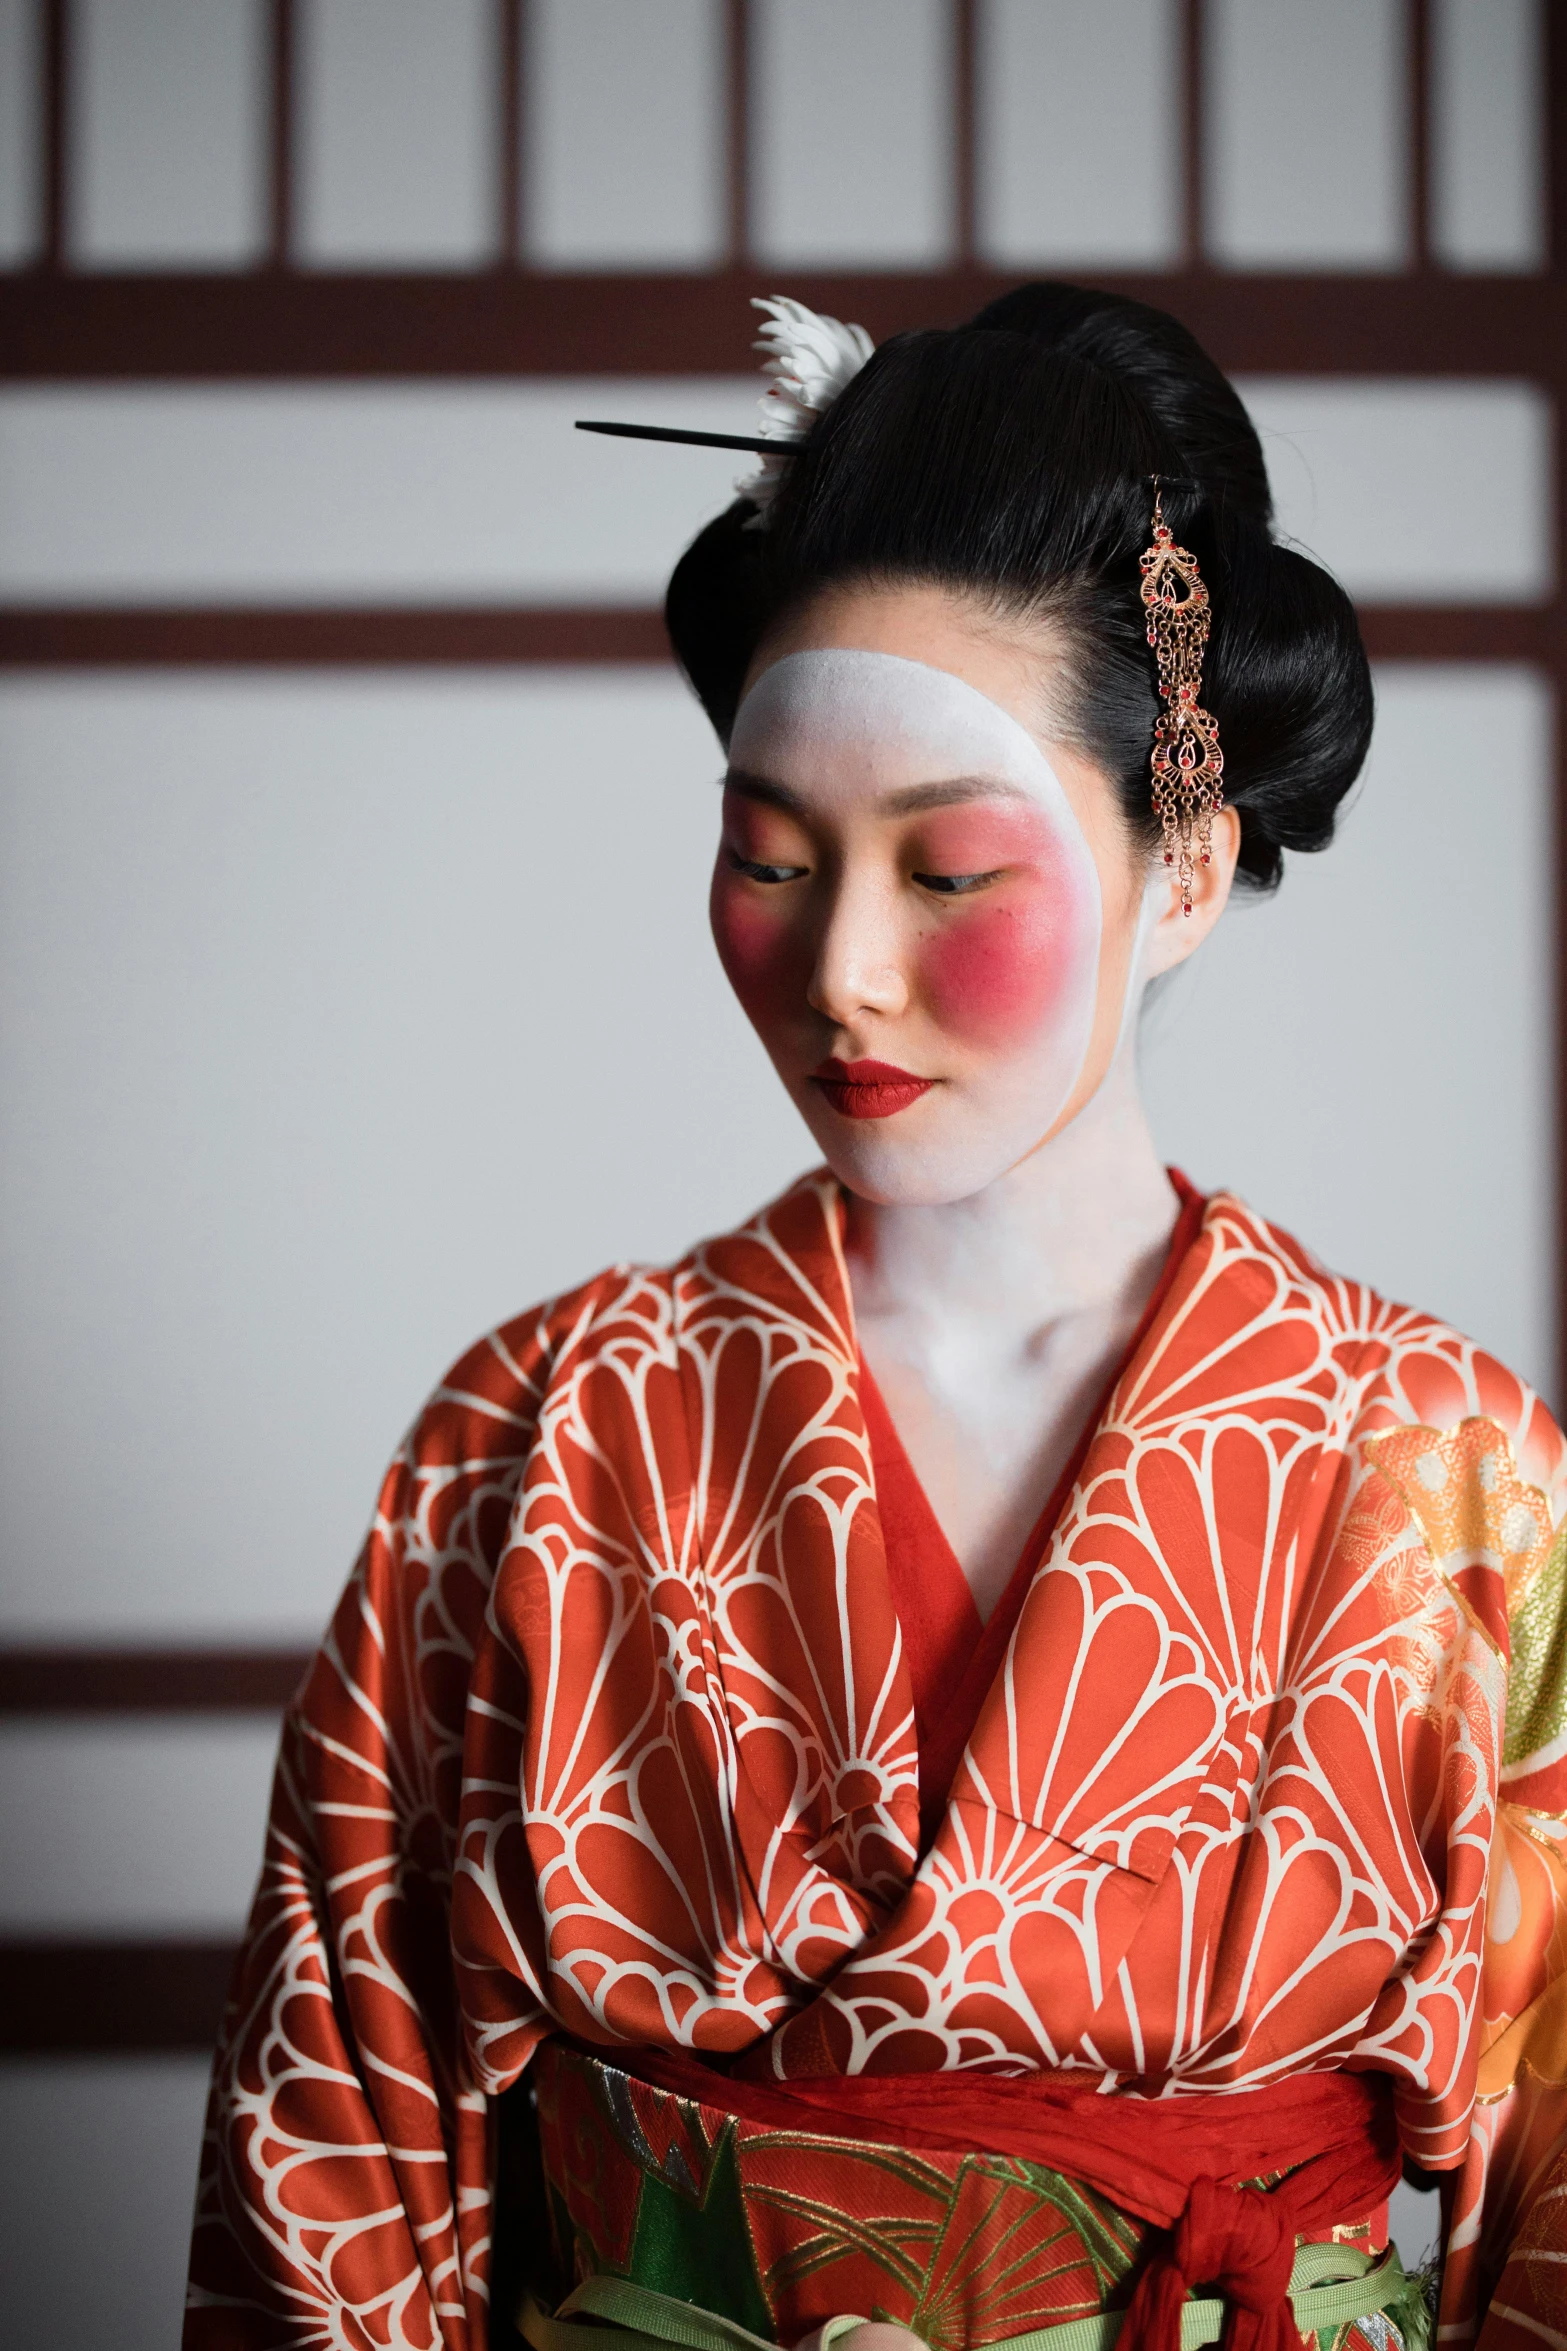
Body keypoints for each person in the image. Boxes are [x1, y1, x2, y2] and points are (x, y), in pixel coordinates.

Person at [185, 283, 1567, 2351]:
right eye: (769, 855)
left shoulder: (1451, 1465)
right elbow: (339, 2168)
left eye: (946, 874)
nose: (836, 965)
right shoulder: (536, 1433)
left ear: (1180, 860)